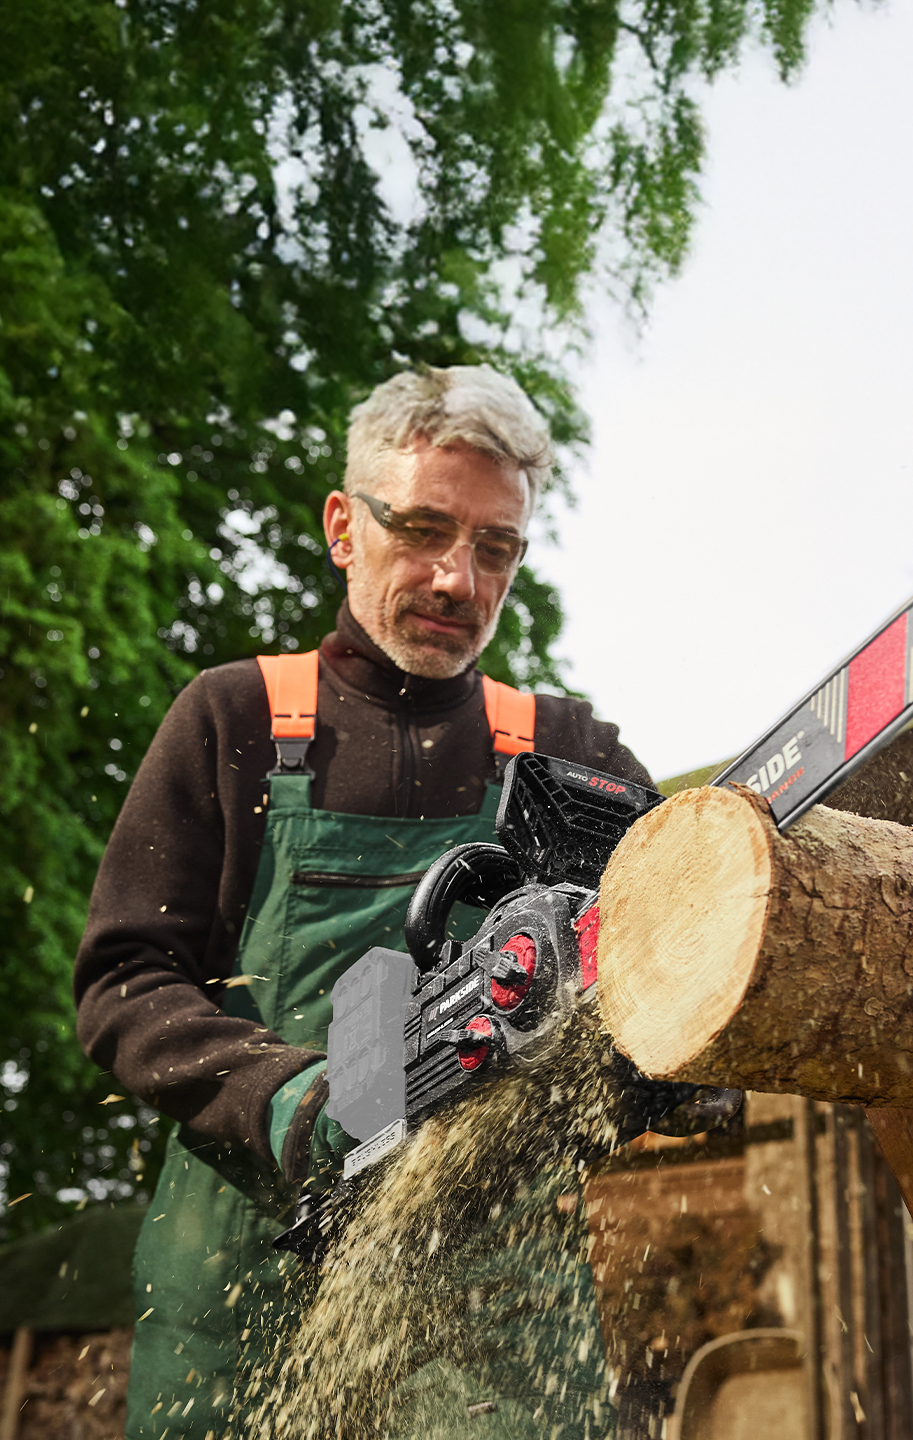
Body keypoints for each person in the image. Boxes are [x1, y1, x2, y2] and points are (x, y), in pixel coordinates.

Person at [73, 366, 654, 1438]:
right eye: (425, 529)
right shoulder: (236, 719)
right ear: (345, 526)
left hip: (493, 1313)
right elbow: (122, 984)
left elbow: (663, 976)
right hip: (244, 1285)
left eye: (494, 547)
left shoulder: (570, 757)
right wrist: (297, 1103)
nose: (455, 579)